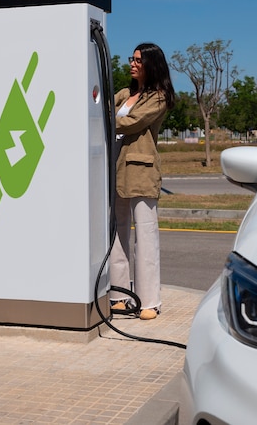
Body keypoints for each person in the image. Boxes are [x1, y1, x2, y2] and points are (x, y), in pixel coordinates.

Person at [109, 42, 175, 320]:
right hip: (117, 168)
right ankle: (119, 295)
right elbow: (100, 107)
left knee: (145, 237)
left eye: (138, 60)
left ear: (152, 64)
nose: (132, 64)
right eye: (132, 59)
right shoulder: (125, 94)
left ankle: (149, 301)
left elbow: (133, 122)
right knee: (117, 234)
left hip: (143, 170)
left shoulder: (159, 97)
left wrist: (103, 118)